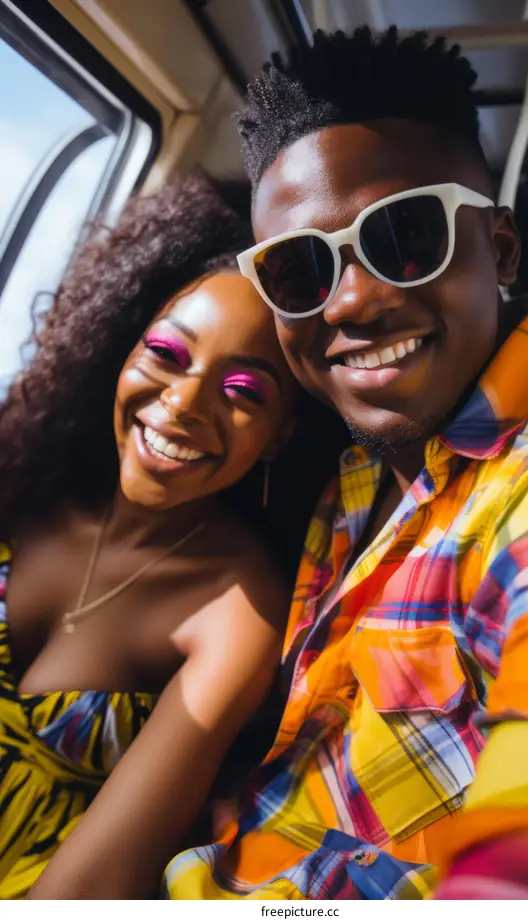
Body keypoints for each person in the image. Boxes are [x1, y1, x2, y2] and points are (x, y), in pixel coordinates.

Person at [162, 28, 528, 900]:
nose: (354, 300)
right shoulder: (354, 477)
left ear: (502, 250)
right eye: (299, 271)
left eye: (405, 236)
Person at [0, 173, 322, 900]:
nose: (182, 406)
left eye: (243, 393)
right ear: (119, 346)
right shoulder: (25, 474)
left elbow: (87, 891)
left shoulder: (239, 609)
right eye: (167, 355)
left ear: (281, 437)